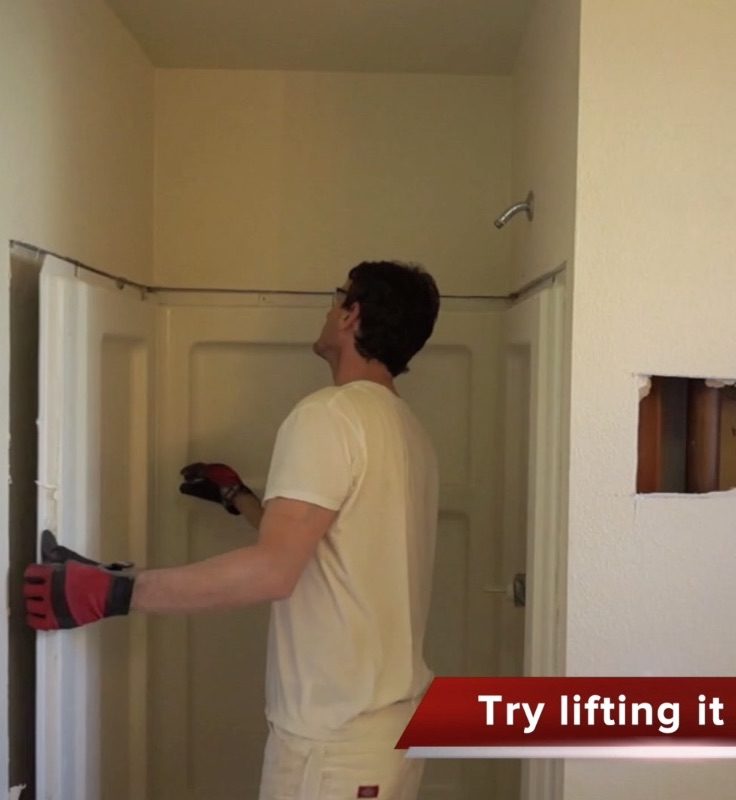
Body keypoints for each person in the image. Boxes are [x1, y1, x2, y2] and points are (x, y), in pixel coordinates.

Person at [23, 260, 442, 800]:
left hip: (333, 747)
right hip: (385, 733)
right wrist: (239, 497)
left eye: (336, 297)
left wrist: (118, 591)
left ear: (351, 313)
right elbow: (325, 548)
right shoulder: (405, 428)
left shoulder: (329, 415)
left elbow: (274, 571)